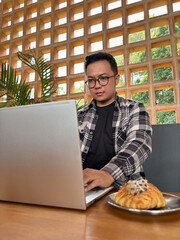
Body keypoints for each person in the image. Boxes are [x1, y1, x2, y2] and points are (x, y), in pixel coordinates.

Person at [78, 52, 152, 192]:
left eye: (103, 78)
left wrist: (108, 174)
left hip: (127, 189)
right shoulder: (79, 116)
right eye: (91, 80)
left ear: (116, 79)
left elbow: (139, 144)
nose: (97, 85)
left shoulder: (135, 109)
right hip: (85, 190)